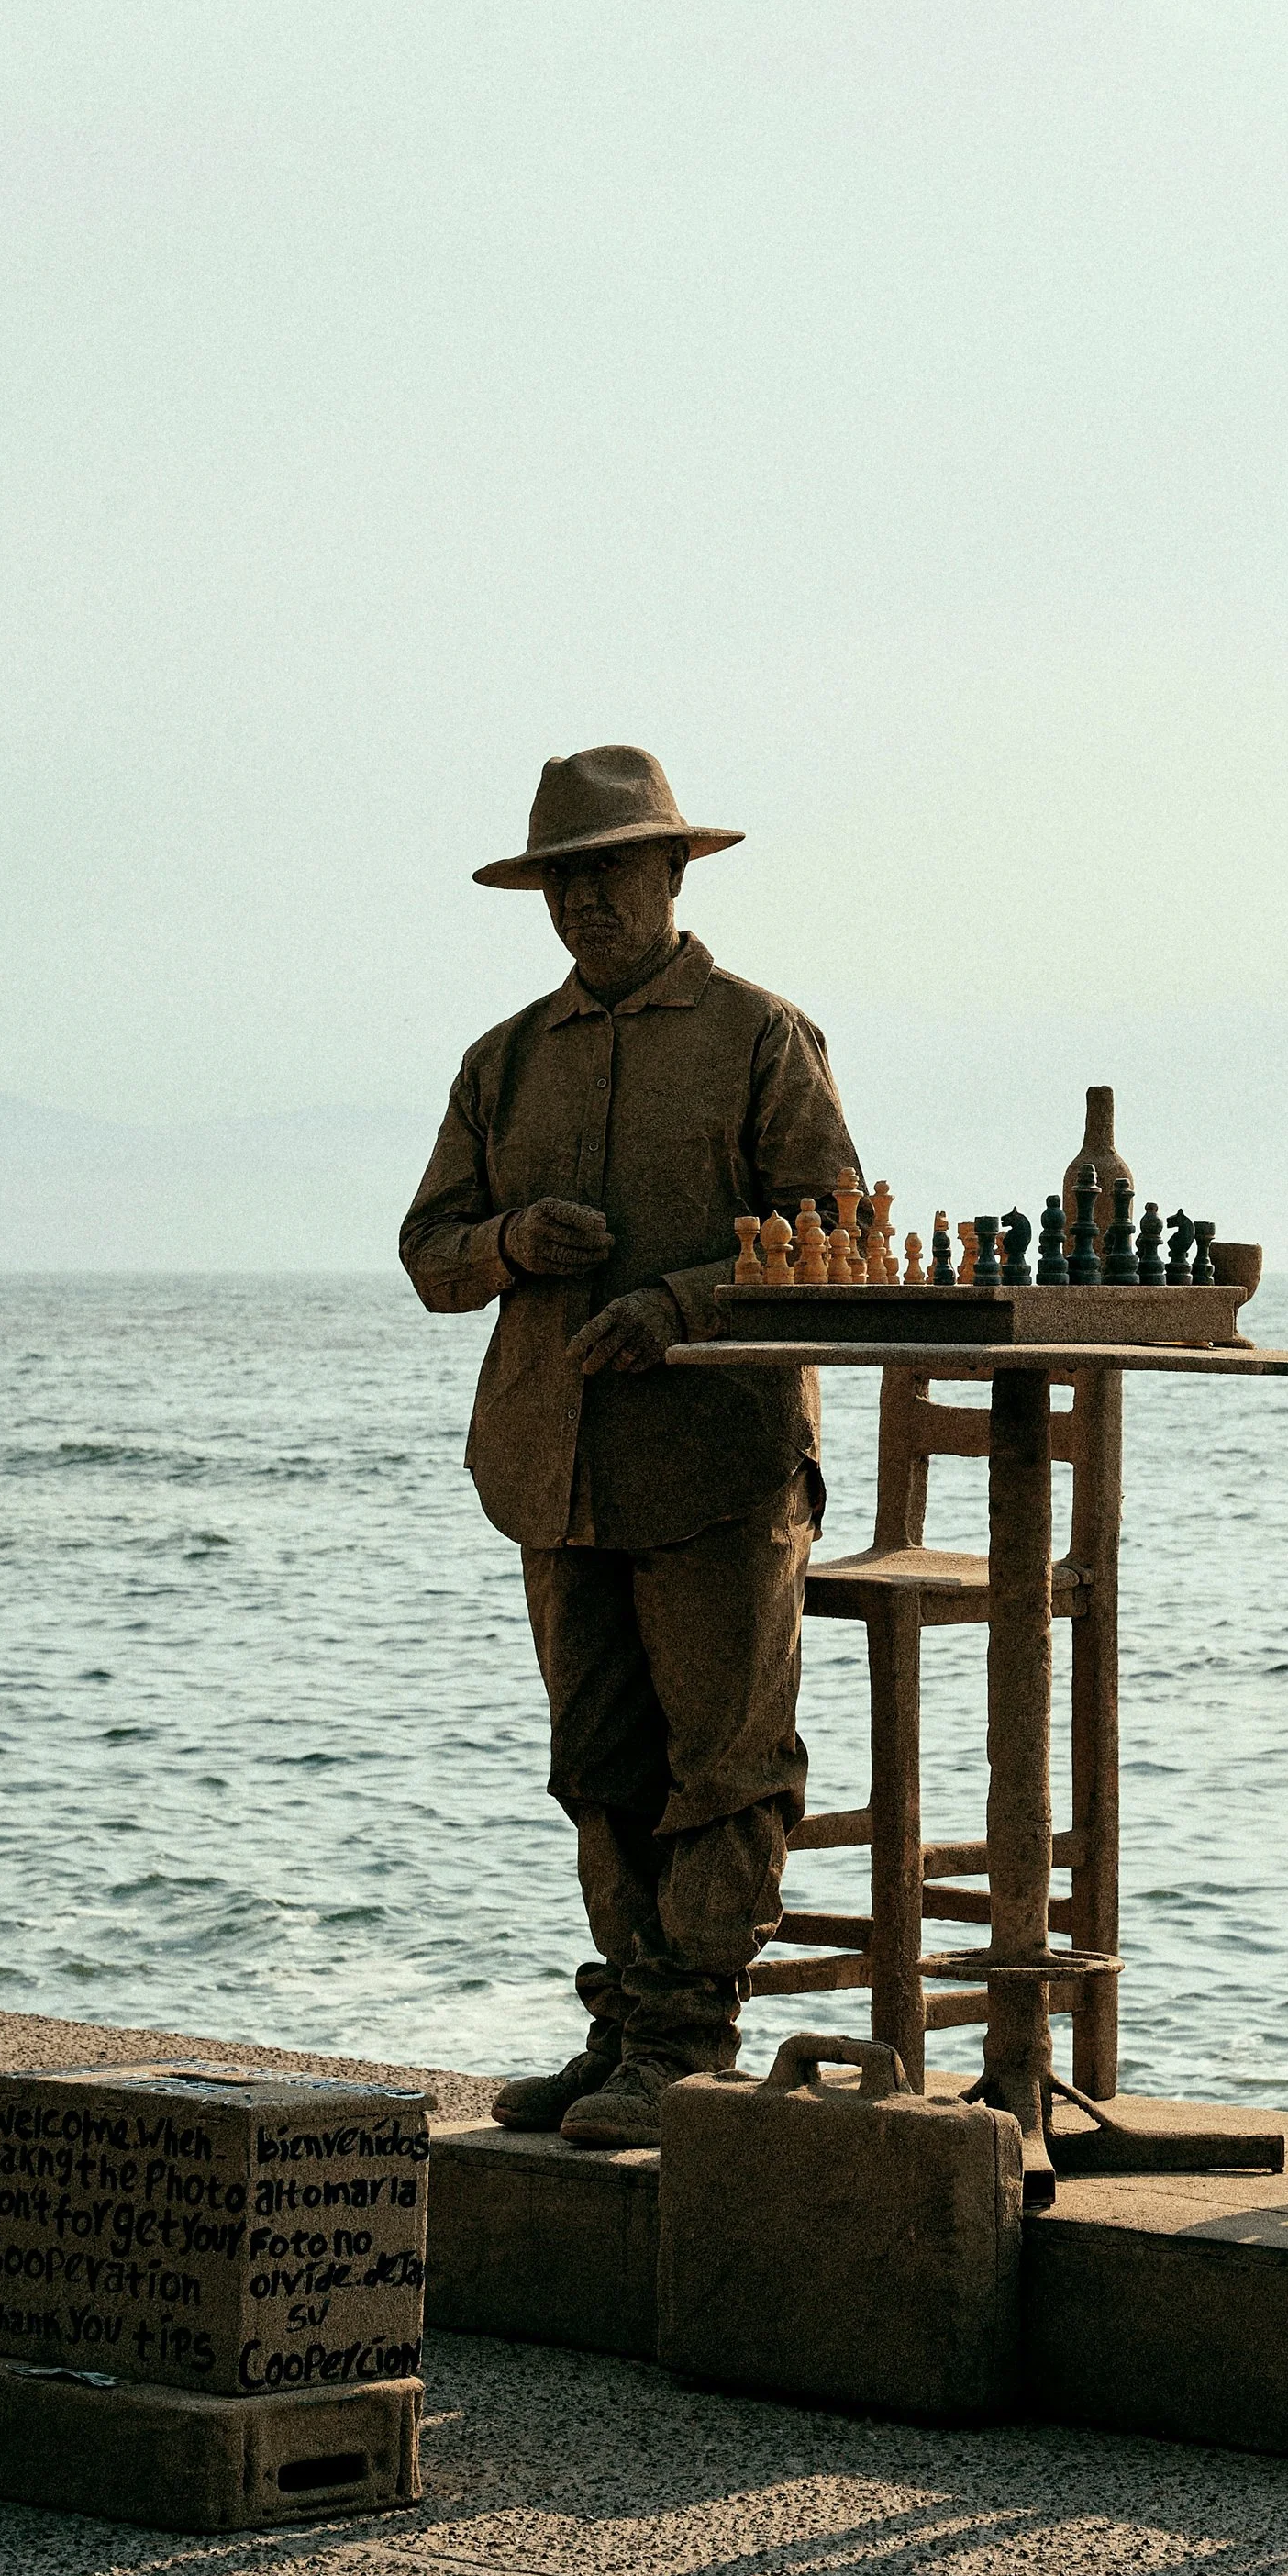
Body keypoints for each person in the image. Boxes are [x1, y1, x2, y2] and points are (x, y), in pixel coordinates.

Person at [400, 745, 861, 2145]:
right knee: (598, 1761)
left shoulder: (759, 1036)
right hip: (553, 1465)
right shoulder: (504, 1059)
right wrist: (507, 1242)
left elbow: (835, 1231)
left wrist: (674, 1307)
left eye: (611, 870)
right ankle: (623, 2036)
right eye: (563, 879)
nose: (586, 900)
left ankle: (684, 2043)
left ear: (671, 871)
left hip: (717, 1467)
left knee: (727, 1758)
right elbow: (429, 1256)